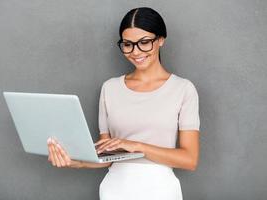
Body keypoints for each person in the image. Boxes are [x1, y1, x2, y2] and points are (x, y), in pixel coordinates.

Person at [47, 7, 200, 200]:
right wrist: (76, 162)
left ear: (161, 40)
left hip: (160, 189)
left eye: (144, 42)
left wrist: (137, 146)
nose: (135, 52)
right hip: (115, 190)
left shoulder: (183, 89)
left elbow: (189, 159)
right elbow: (108, 158)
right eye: (128, 44)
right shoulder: (109, 88)